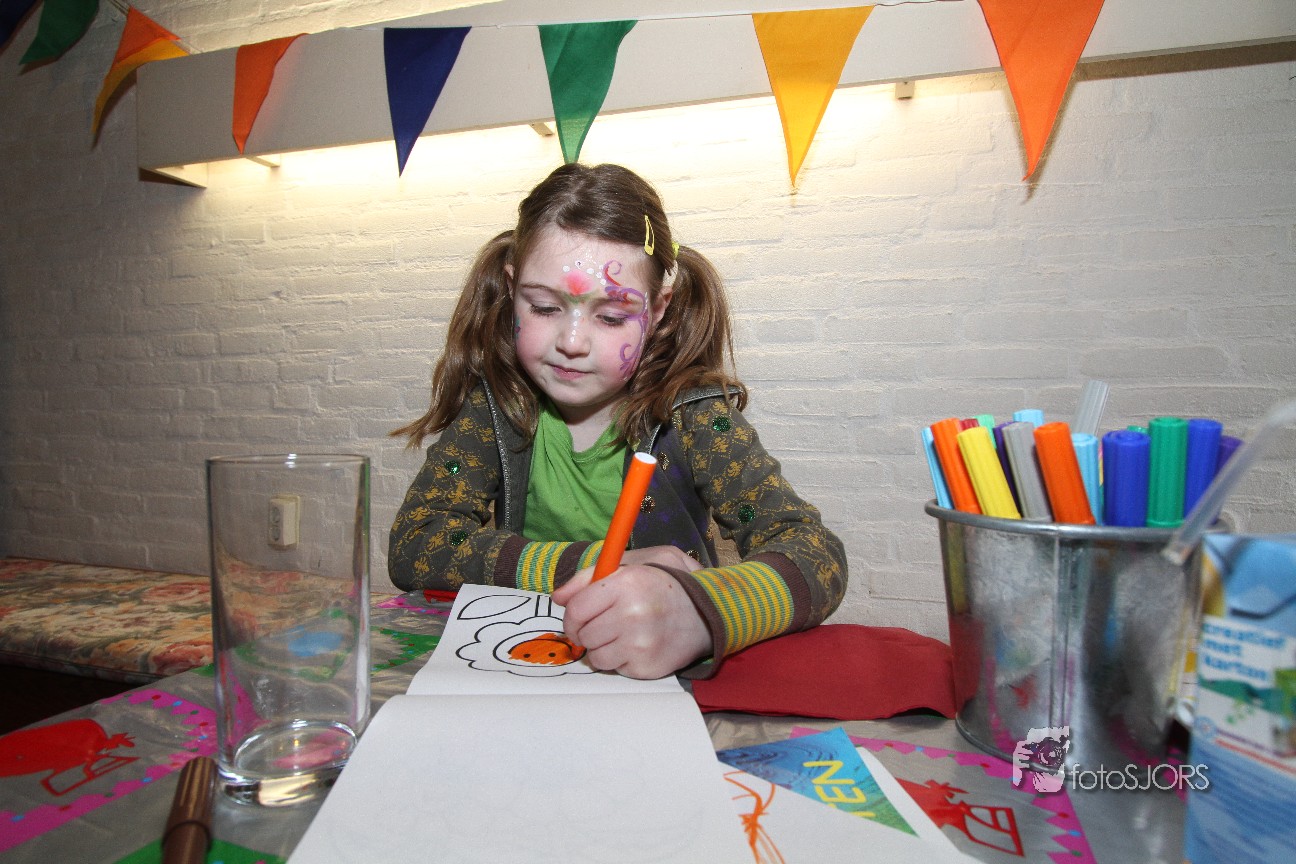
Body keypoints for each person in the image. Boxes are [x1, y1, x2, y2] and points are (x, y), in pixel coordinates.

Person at [389, 163, 846, 680]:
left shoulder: (694, 418)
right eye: (543, 307)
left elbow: (818, 556)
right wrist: (590, 563)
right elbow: (415, 544)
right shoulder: (499, 407)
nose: (572, 342)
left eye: (611, 316)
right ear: (512, 288)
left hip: (662, 687)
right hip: (532, 663)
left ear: (660, 310)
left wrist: (700, 610)